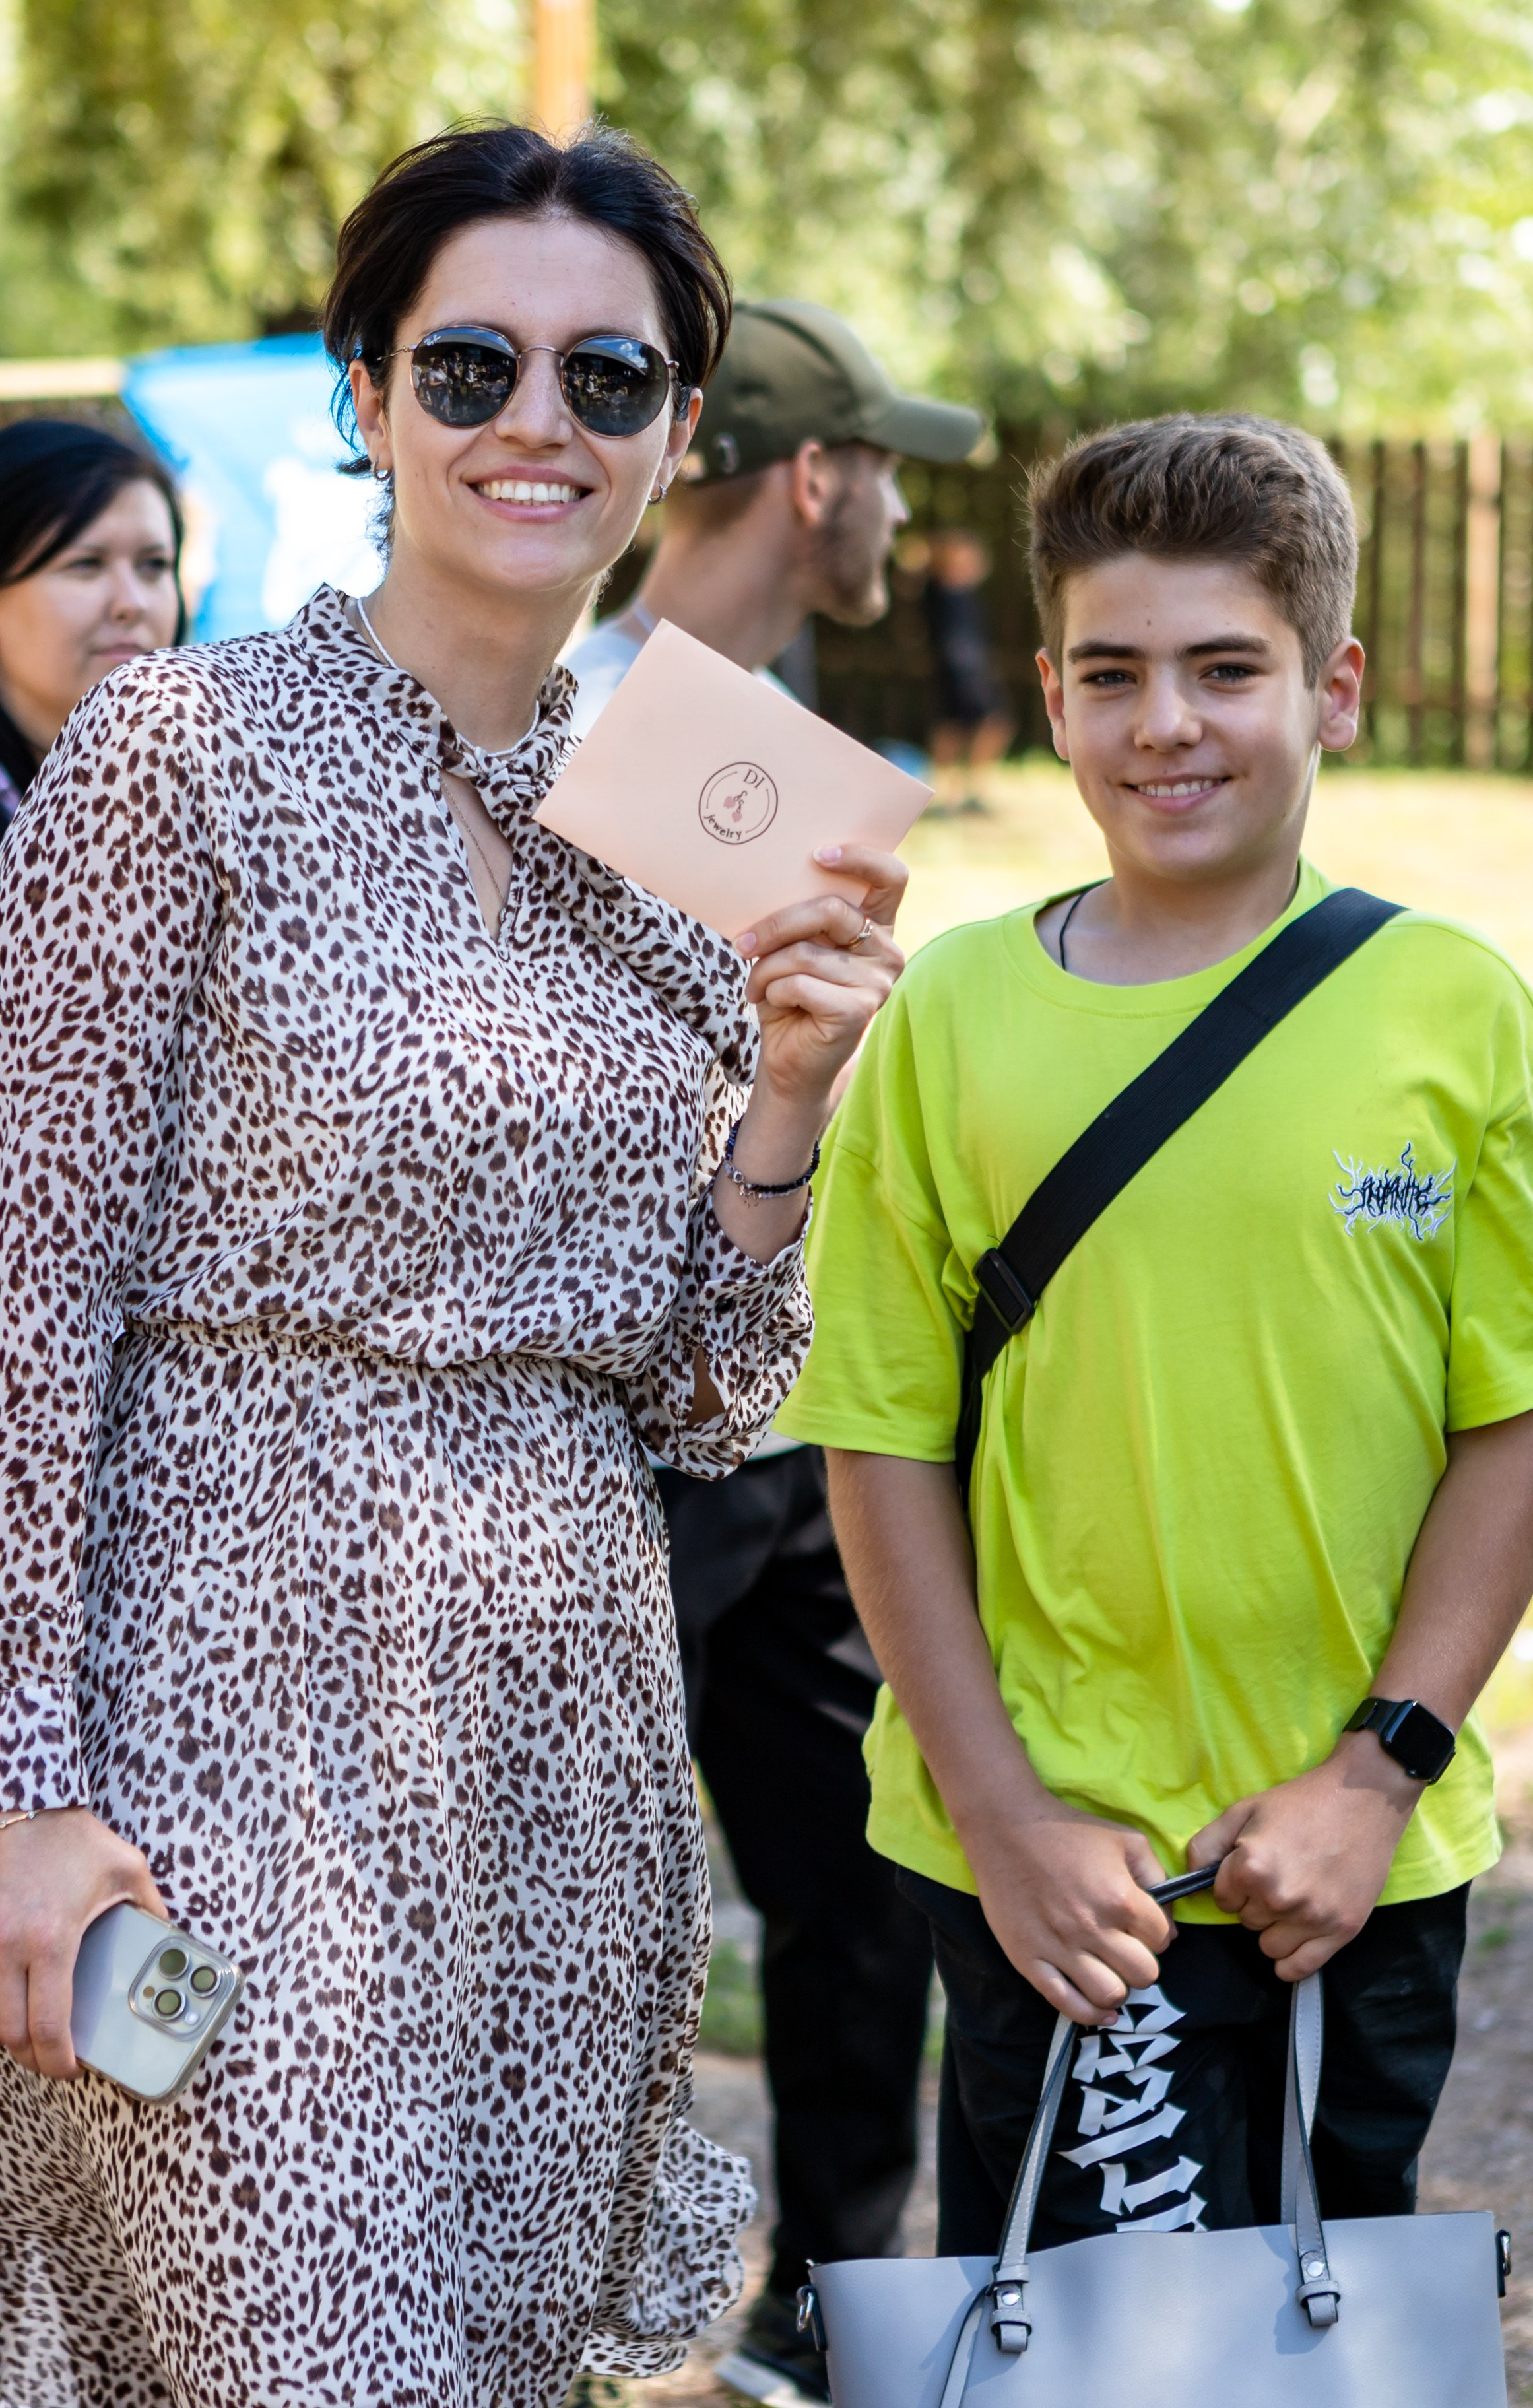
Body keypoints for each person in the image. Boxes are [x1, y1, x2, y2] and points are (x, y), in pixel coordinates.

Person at [0, 125, 907, 2408]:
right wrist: (15, 1786)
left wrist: (786, 1096)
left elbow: (705, 1389)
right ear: (368, 397)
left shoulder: (704, 807)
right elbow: (28, 1315)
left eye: (605, 376)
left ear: (677, 428)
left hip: (557, 1755)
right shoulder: (180, 752)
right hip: (218, 1723)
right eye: (469, 364)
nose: (533, 421)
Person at [780, 415, 1533, 2256]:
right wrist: (1002, 1816)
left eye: (1225, 670)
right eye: (1112, 674)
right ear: (1049, 696)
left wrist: (1377, 1771)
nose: (1165, 724)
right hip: (1057, 1872)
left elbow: (1509, 1425)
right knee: (1077, 2348)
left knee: (1323, 2335)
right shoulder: (954, 1014)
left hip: (1347, 1862)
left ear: (1332, 687)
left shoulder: (1453, 1011)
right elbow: (879, 1441)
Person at [565, 302, 980, 2406]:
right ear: (815, 477)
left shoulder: (788, 741)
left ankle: (832, 2307)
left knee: (857, 1873)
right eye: (886, 467)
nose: (900, 508)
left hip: (809, 1409)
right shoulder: (572, 717)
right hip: (620, 1429)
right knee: (573, 1893)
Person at [0, 419, 184, 1898]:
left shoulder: (188, 820)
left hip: (153, 1419)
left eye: (155, 562)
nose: (131, 600)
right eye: (83, 564)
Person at [921, 527, 1013, 810]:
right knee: (963, 728)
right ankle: (954, 794)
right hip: (961, 673)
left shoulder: (961, 594)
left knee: (962, 727)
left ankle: (959, 793)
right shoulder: (942, 593)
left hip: (968, 671)